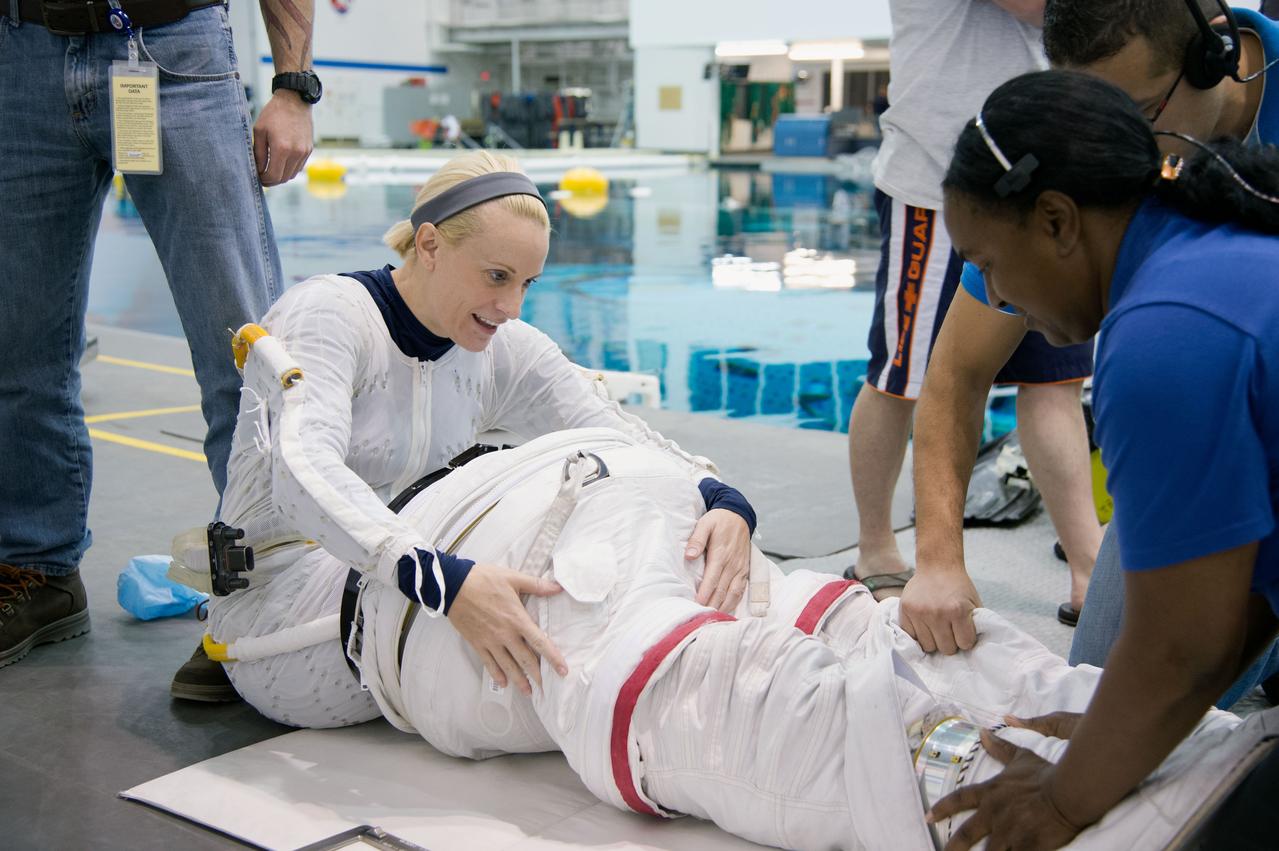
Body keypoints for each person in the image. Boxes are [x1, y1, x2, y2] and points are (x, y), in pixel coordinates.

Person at [204, 411, 1271, 851]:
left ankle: (1133, 796)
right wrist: (719, 497)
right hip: (605, 538)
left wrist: (720, 497)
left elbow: (292, 459)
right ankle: (1194, 749)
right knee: (839, 633)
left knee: (767, 680)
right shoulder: (495, 370)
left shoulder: (313, 602)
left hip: (587, 545)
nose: (504, 304)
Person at [928, 68, 1279, 849]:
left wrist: (1058, 802)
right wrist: (1122, 732)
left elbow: (1182, 646)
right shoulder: (1219, 247)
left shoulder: (1163, 334)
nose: (997, 293)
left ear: (1056, 221)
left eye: (987, 262)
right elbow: (1235, 605)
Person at [0, 0, 318, 675]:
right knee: (19, 352)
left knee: (245, 356)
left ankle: (270, 591)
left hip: (173, 46)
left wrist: (294, 85)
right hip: (19, 57)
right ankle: (39, 572)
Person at [847, 0, 1097, 622]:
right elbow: (1053, 10)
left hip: (1042, 176)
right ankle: (876, 547)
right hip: (938, 183)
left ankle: (1089, 562)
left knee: (1054, 383)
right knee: (901, 380)